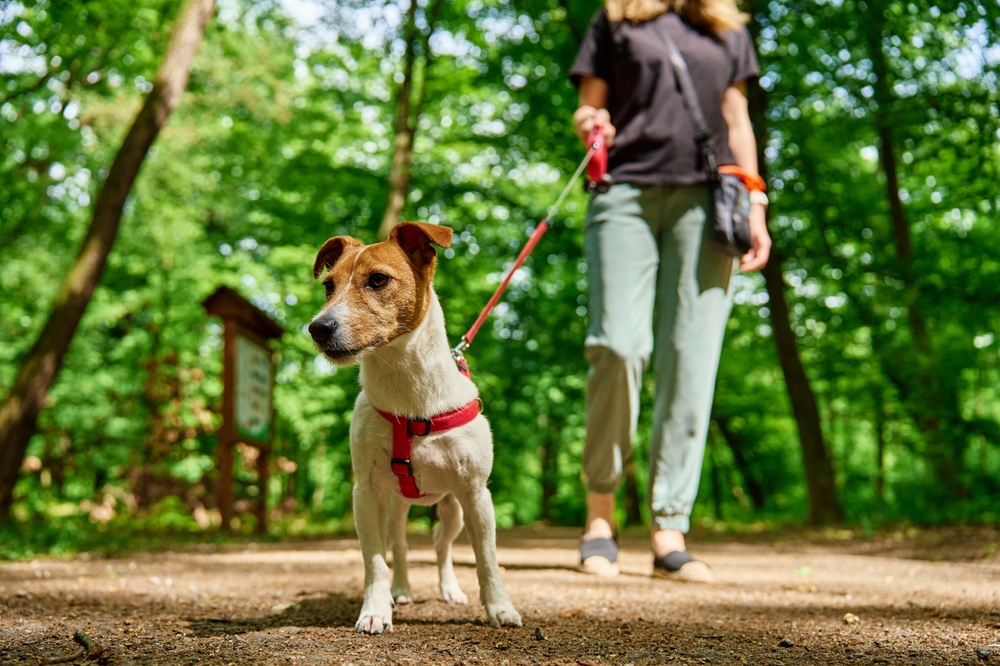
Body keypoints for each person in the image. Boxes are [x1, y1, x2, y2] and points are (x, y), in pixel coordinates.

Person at [569, 0, 771, 582]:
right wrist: (591, 123)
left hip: (709, 201)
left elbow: (737, 119)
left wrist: (755, 202)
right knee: (618, 346)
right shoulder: (617, 18)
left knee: (691, 358)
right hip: (624, 193)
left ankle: (669, 528)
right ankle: (600, 516)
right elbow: (589, 104)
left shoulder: (726, 27)